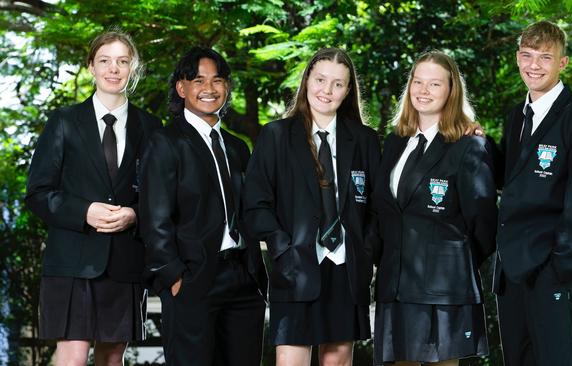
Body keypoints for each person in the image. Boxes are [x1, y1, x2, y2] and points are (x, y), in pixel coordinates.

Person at [25, 30, 161, 366]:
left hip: (125, 261)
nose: (113, 69)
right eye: (104, 60)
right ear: (91, 67)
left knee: (113, 358)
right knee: (71, 357)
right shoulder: (63, 122)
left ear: (133, 68)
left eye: (122, 61)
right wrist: (84, 211)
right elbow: (38, 193)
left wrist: (135, 214)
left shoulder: (152, 127)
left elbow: (162, 196)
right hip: (72, 260)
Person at [243, 48, 381, 366]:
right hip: (295, 266)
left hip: (346, 269)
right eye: (320, 80)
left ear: (348, 91)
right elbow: (255, 205)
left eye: (337, 84)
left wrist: (366, 251)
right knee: (291, 360)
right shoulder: (276, 136)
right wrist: (282, 248)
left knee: (338, 361)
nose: (326, 91)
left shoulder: (364, 140)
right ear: (307, 81)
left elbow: (378, 206)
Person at [138, 46, 267, 366]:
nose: (209, 89)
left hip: (243, 278)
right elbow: (154, 219)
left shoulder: (238, 147)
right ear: (182, 88)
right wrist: (174, 277)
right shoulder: (165, 142)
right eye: (198, 80)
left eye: (218, 80)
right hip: (193, 278)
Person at [492, 20, 572, 366]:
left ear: (563, 63)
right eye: (527, 56)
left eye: (545, 57)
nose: (534, 66)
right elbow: (509, 181)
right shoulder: (517, 118)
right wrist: (477, 141)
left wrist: (561, 264)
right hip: (512, 269)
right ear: (517, 58)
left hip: (552, 267)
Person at [372, 50, 497, 366]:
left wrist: (455, 258)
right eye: (417, 81)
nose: (423, 91)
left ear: (451, 91)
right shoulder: (395, 142)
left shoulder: (469, 145)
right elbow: (383, 213)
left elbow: (483, 221)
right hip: (396, 283)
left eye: (435, 84)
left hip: (443, 288)